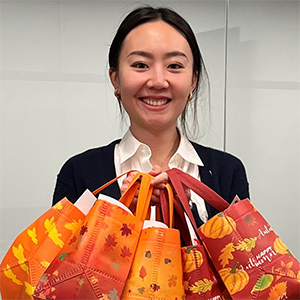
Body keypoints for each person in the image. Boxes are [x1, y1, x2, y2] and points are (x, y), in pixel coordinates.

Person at [52, 5, 249, 227]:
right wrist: (120, 214)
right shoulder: (79, 173)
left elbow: (242, 259)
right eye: (140, 65)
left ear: (193, 81)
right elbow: (57, 259)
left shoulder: (228, 171)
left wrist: (185, 210)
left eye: (174, 66)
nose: (157, 81)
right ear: (115, 78)